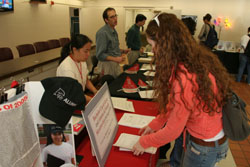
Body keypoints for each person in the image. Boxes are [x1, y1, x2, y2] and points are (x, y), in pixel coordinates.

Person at [132, 13, 232, 167]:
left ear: (165, 45)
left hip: (204, 146)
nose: (153, 51)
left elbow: (173, 131)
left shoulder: (184, 77)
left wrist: (144, 142)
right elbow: (175, 104)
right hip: (207, 139)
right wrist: (156, 124)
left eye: (153, 45)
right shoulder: (191, 60)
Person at [57, 34, 97, 103]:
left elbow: (85, 80)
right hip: (69, 102)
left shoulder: (82, 61)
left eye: (89, 51)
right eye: (85, 51)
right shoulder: (67, 68)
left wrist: (95, 91)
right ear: (75, 50)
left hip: (79, 97)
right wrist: (93, 101)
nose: (88, 54)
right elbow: (74, 94)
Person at [96, 7, 130, 78]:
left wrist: (123, 51)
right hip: (107, 66)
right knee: (110, 86)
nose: (115, 18)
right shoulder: (102, 33)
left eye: (115, 15)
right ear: (106, 20)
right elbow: (100, 55)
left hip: (115, 64)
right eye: (112, 17)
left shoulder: (113, 30)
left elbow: (112, 48)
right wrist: (116, 59)